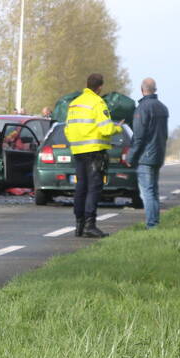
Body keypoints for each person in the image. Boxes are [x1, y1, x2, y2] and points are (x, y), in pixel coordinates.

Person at [64, 73, 121, 238]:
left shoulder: (74, 104)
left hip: (78, 151)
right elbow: (106, 129)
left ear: (87, 84)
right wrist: (117, 127)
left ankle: (79, 224)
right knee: (94, 188)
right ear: (100, 87)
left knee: (81, 187)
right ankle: (90, 224)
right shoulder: (98, 102)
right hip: (94, 151)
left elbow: (67, 128)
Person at [128, 77, 169, 228]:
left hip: (145, 156)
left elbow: (139, 136)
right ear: (155, 89)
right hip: (158, 154)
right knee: (154, 191)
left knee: (147, 192)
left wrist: (131, 156)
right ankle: (155, 223)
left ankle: (152, 224)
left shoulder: (142, 108)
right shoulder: (163, 107)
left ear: (142, 89)